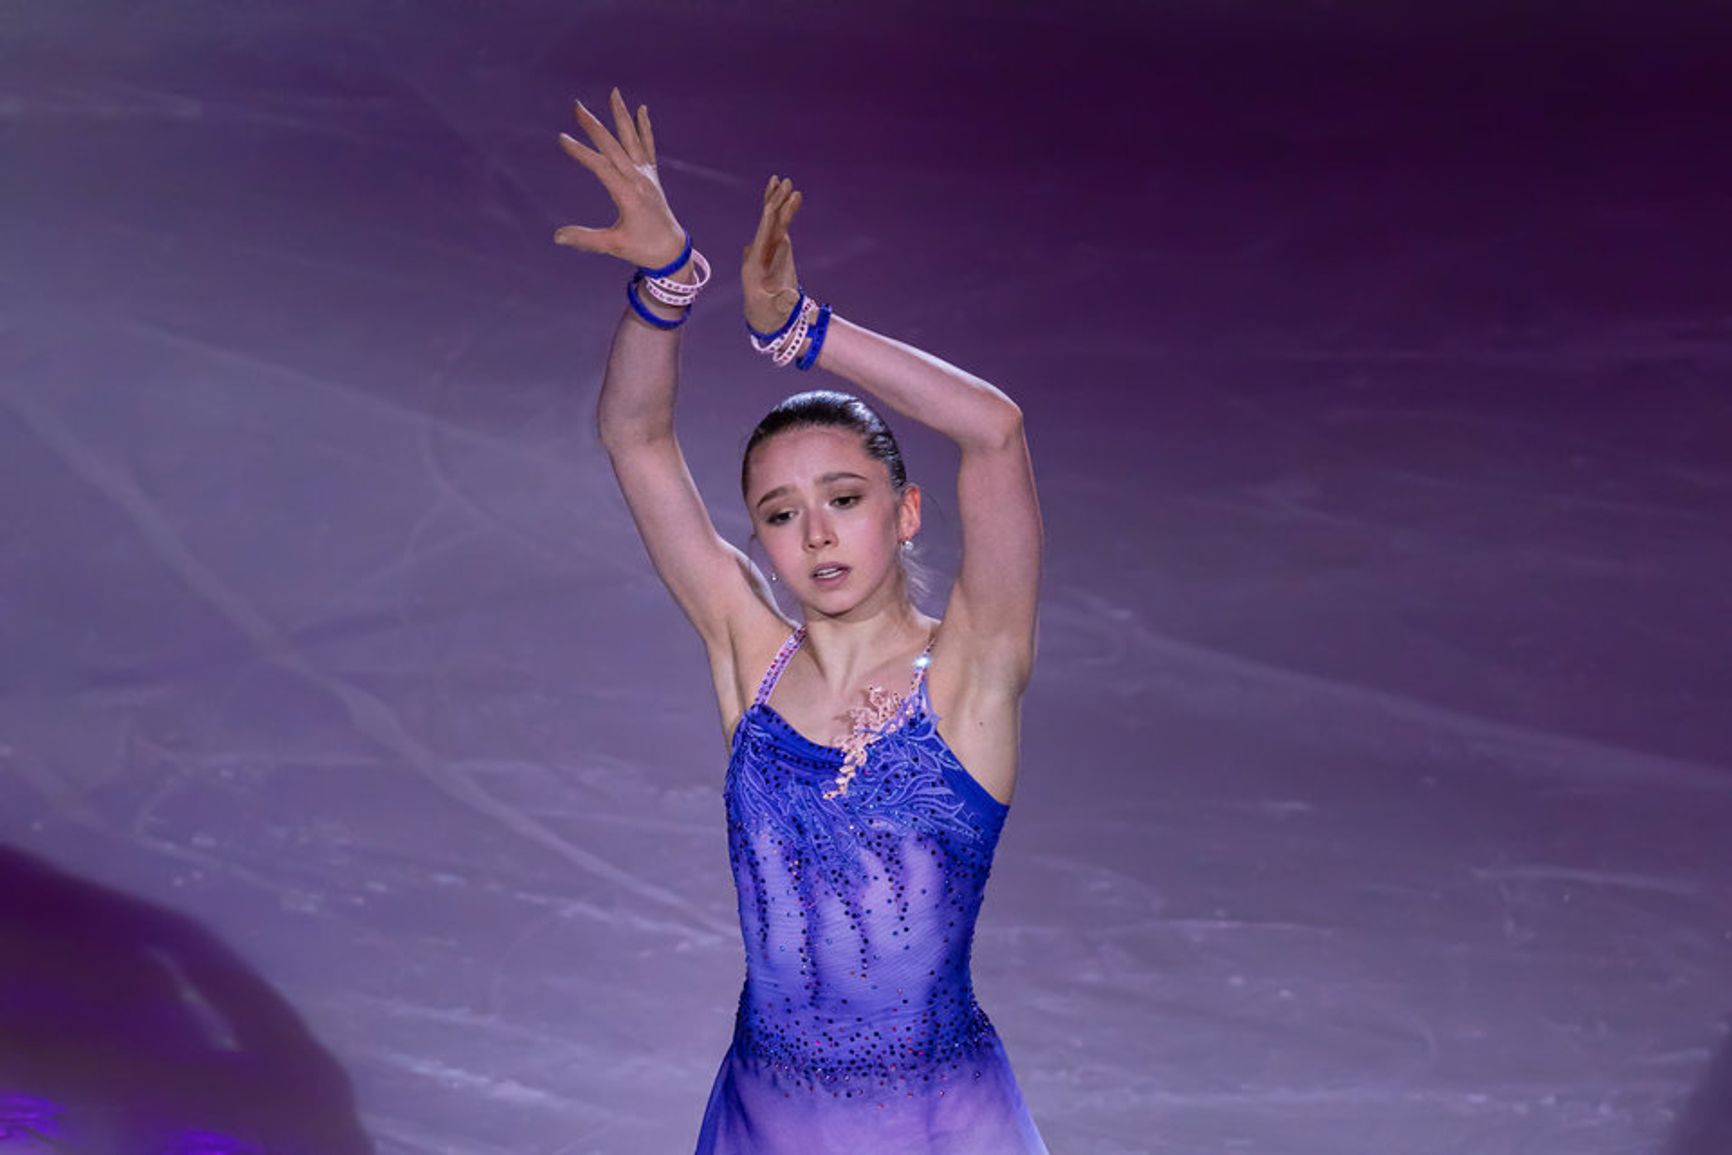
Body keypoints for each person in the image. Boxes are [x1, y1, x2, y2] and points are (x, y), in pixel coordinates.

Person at [556, 87, 1049, 1155]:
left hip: (940, 1130)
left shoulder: (972, 669)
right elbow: (636, 439)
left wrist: (800, 330)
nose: (816, 534)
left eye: (845, 498)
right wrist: (665, 285)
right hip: (762, 1125)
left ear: (904, 512)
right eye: (780, 513)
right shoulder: (750, 656)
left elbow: (995, 433)